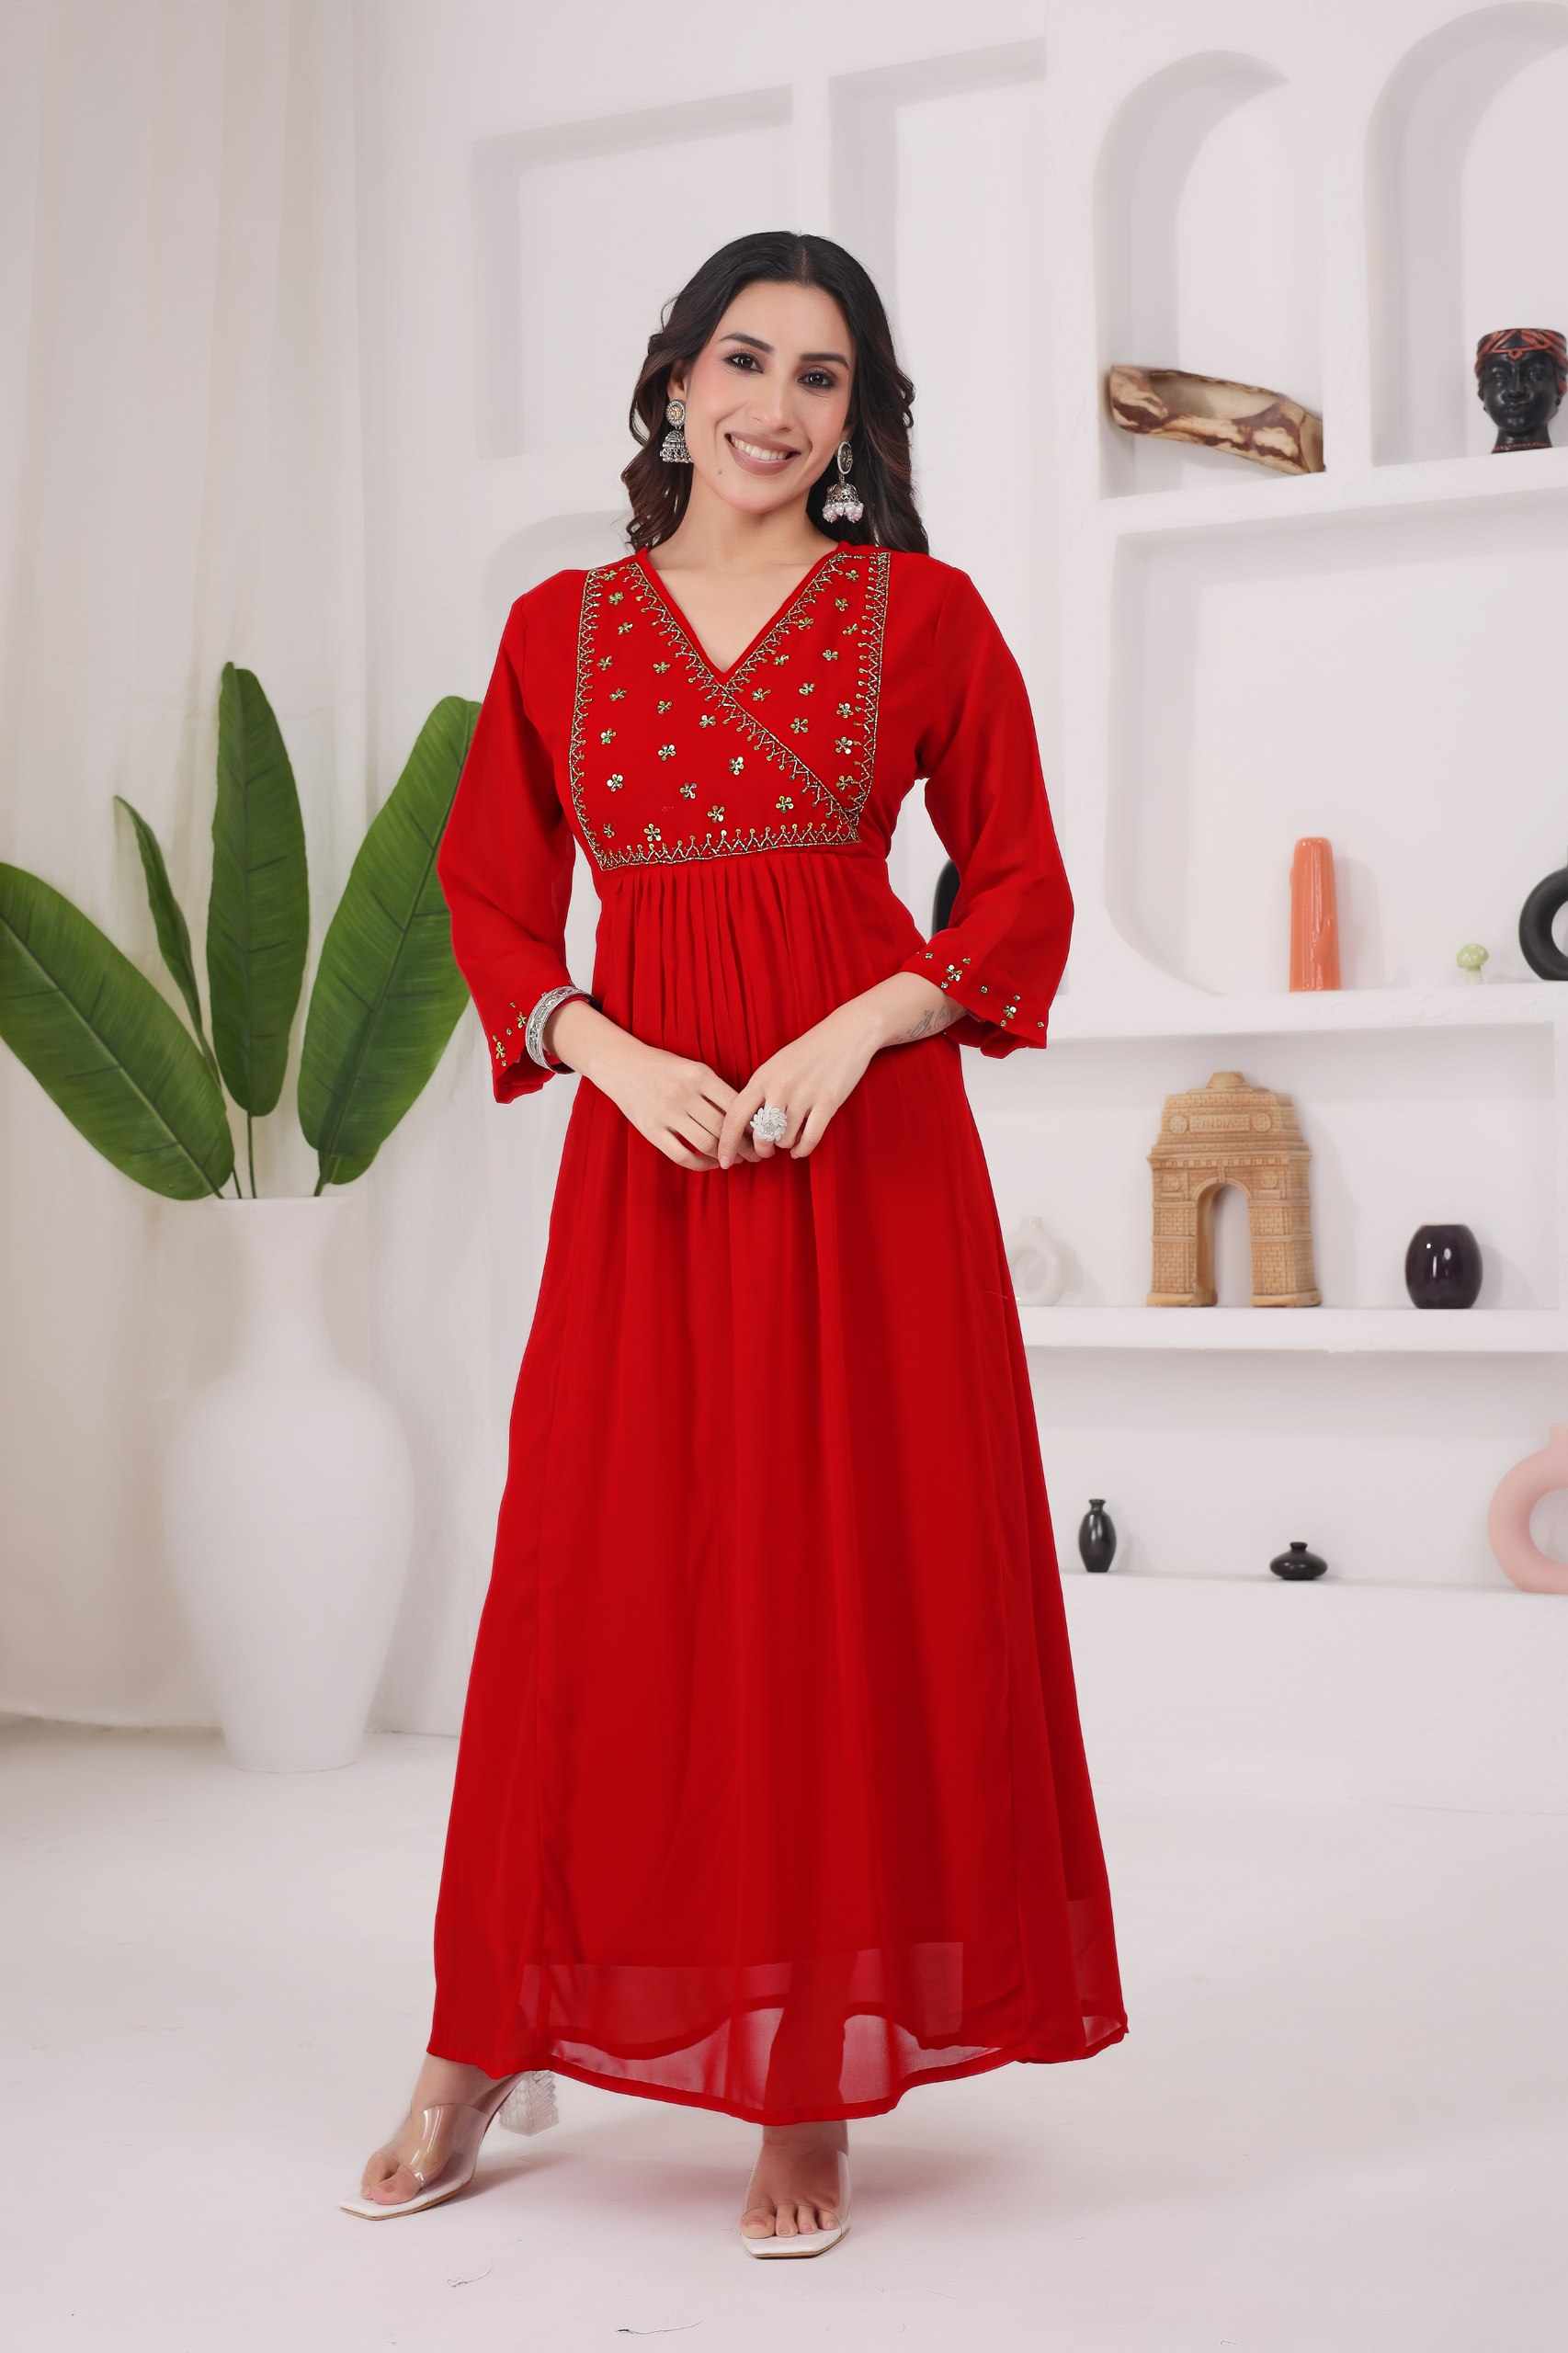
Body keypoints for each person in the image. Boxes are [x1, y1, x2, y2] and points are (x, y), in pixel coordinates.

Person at [343, 230, 1129, 2256]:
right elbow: (493, 897)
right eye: (747, 361)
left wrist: (862, 1025)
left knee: (837, 1580)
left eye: (821, 378)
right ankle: (480, 2032)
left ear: (855, 420)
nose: (777, 407)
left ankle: (807, 2067)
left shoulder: (923, 613)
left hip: (865, 1165)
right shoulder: (558, 630)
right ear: (677, 377)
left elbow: (1020, 886)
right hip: (656, 1164)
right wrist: (609, 1052)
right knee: (591, 1579)